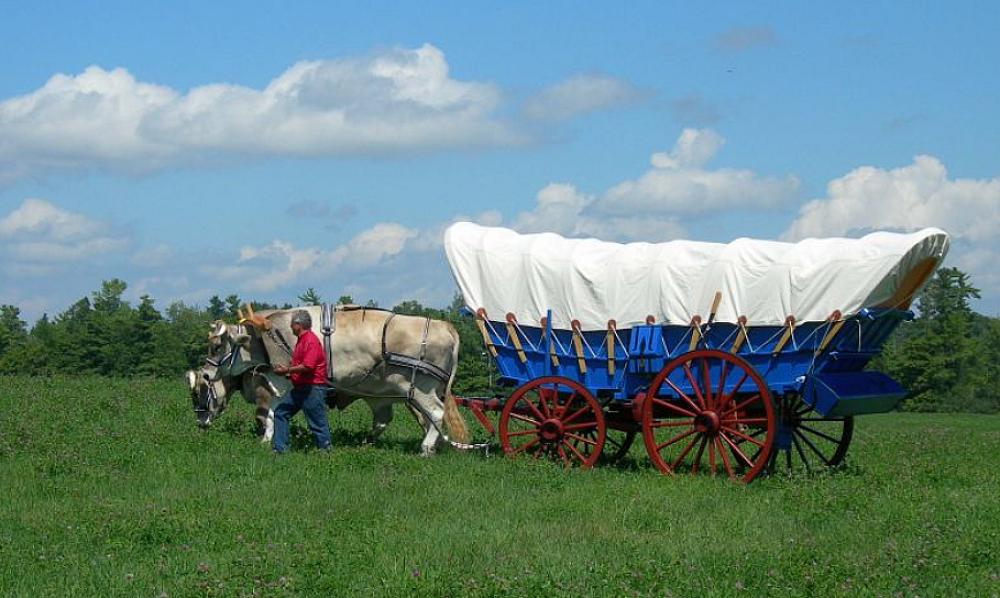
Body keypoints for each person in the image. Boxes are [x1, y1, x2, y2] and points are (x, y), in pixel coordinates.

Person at [271, 310, 332, 453]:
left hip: (312, 389)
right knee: (281, 412)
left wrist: (286, 370)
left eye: (292, 324)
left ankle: (326, 452)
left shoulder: (310, 341)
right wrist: (289, 373)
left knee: (317, 423)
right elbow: (300, 365)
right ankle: (279, 449)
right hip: (300, 388)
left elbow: (308, 366)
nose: (291, 327)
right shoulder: (301, 341)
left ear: (299, 324)